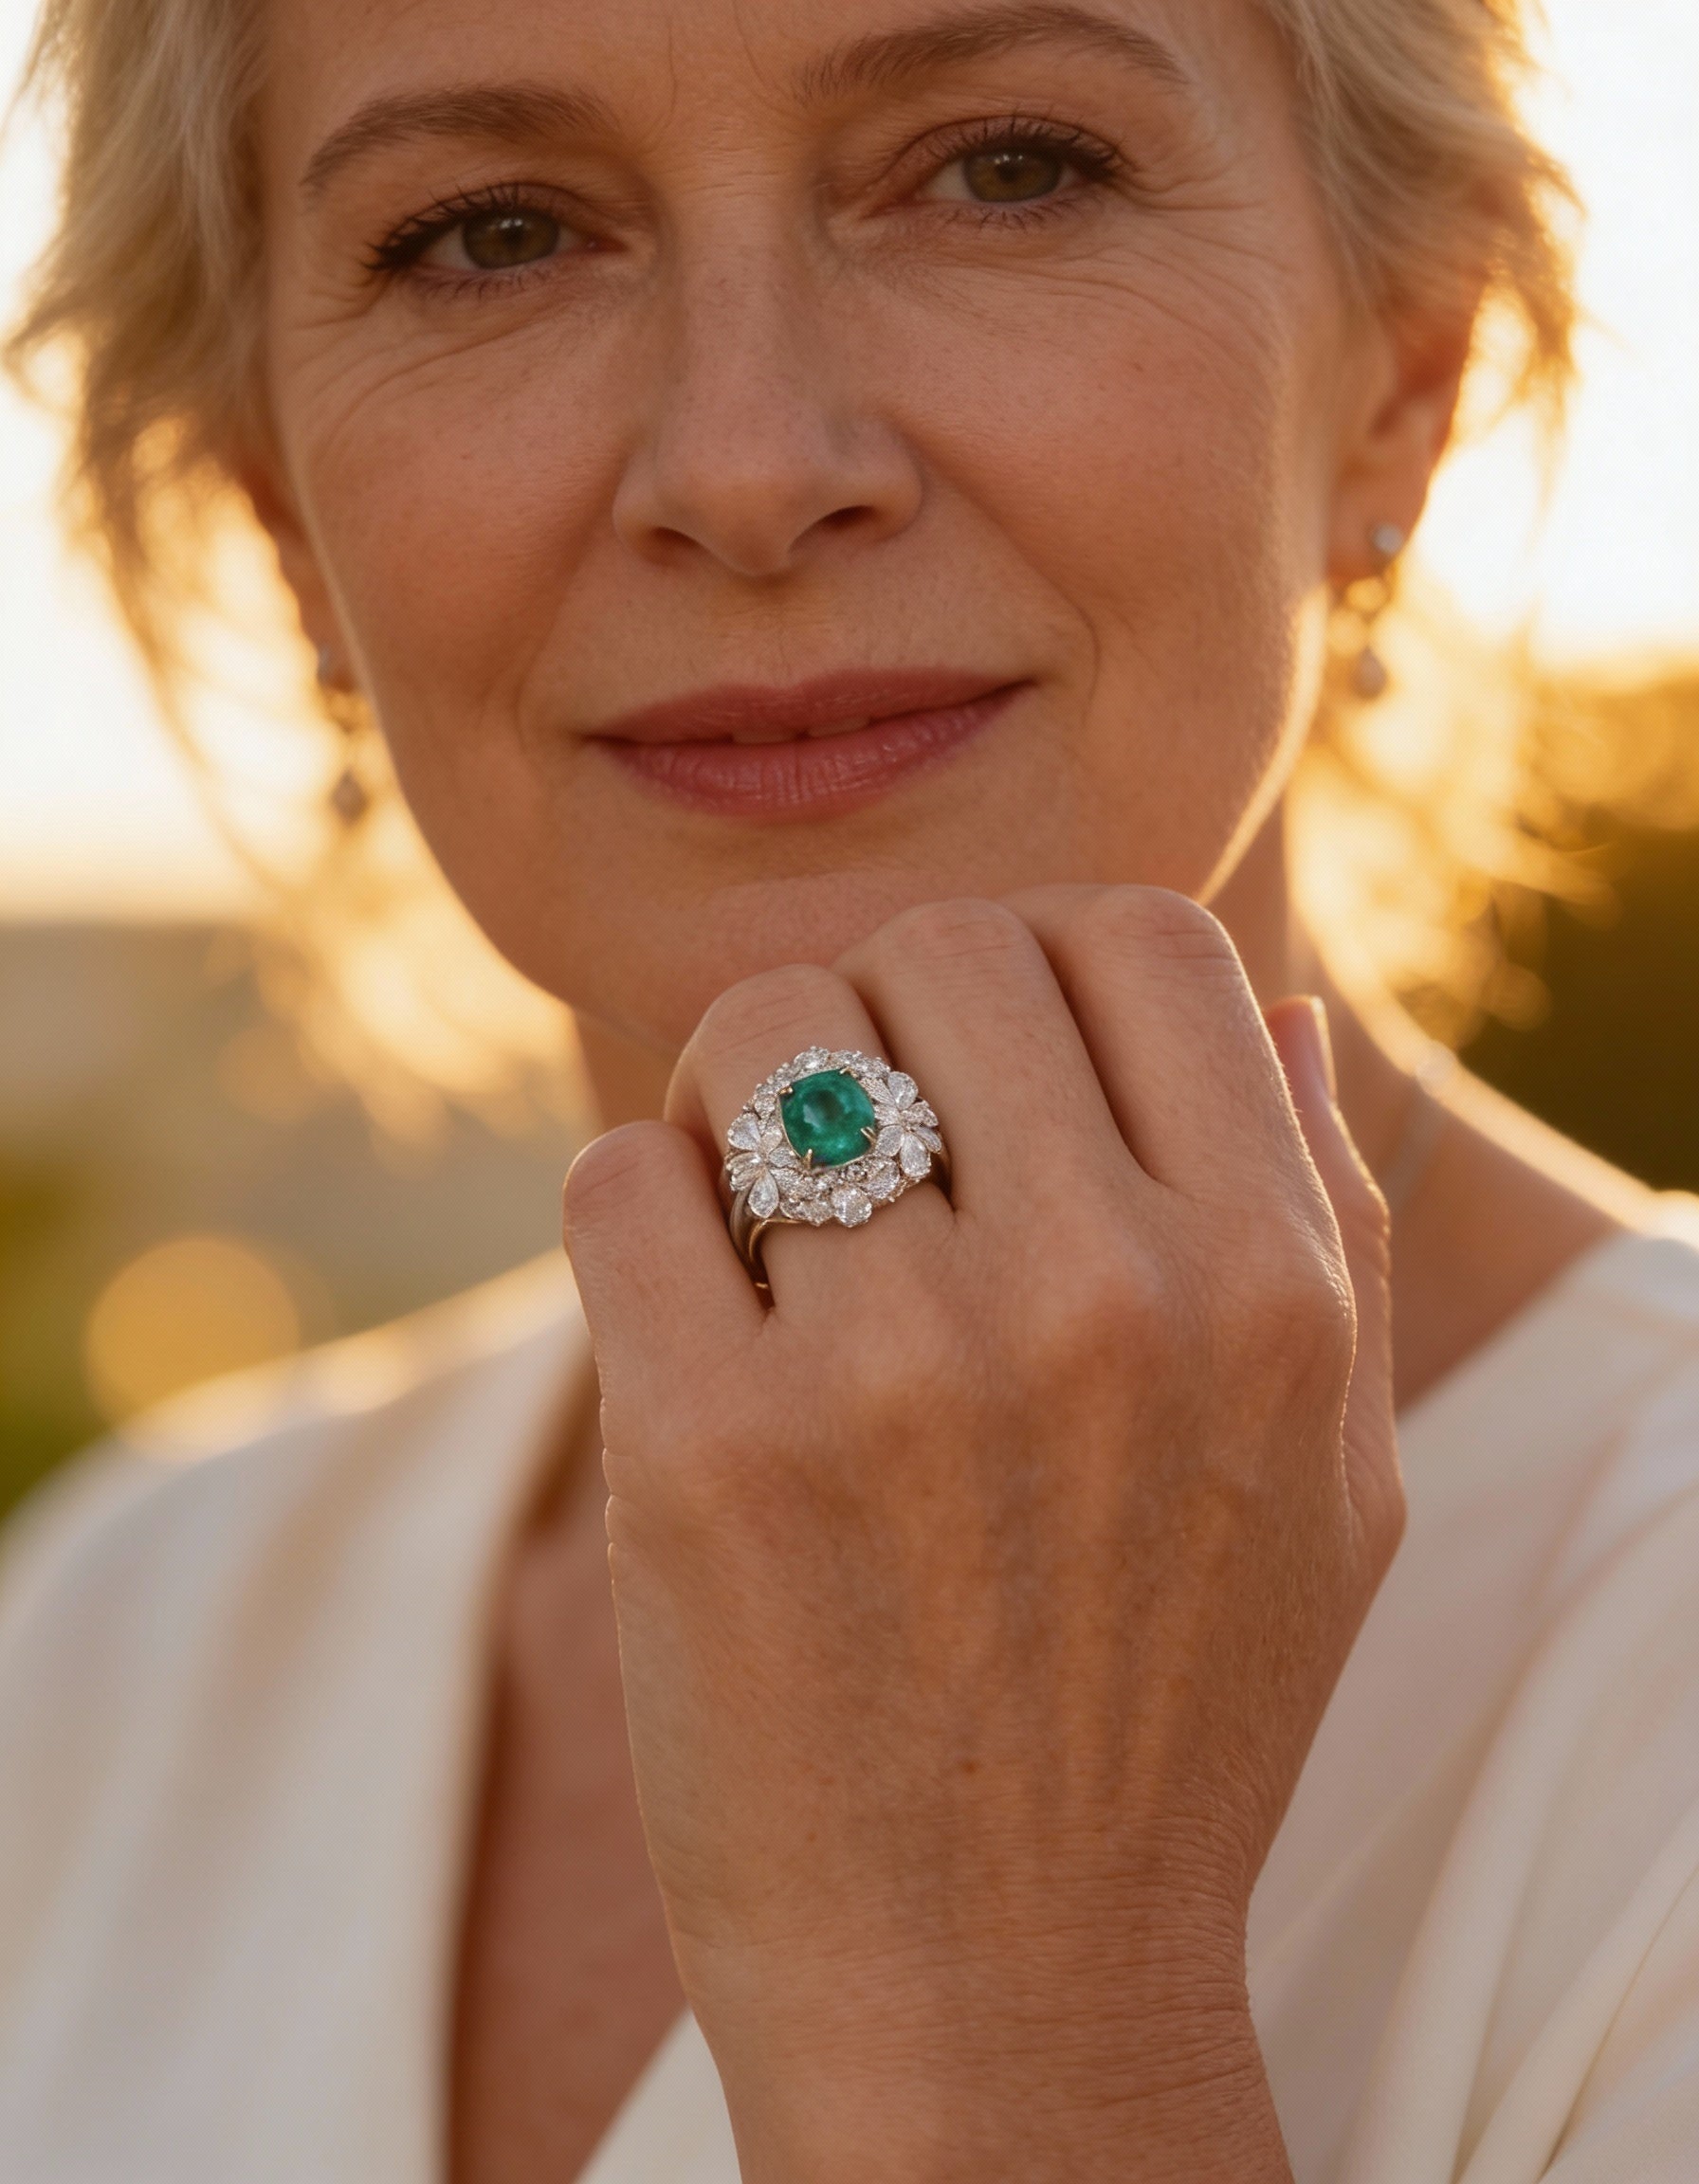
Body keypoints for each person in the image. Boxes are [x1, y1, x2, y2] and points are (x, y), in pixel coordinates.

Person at [3, 0, 1698, 2177]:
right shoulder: (139, 1630)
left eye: (1004, 168)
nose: (744, 464)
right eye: (487, 233)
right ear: (286, 517)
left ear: (1400, 369)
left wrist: (1025, 2017)